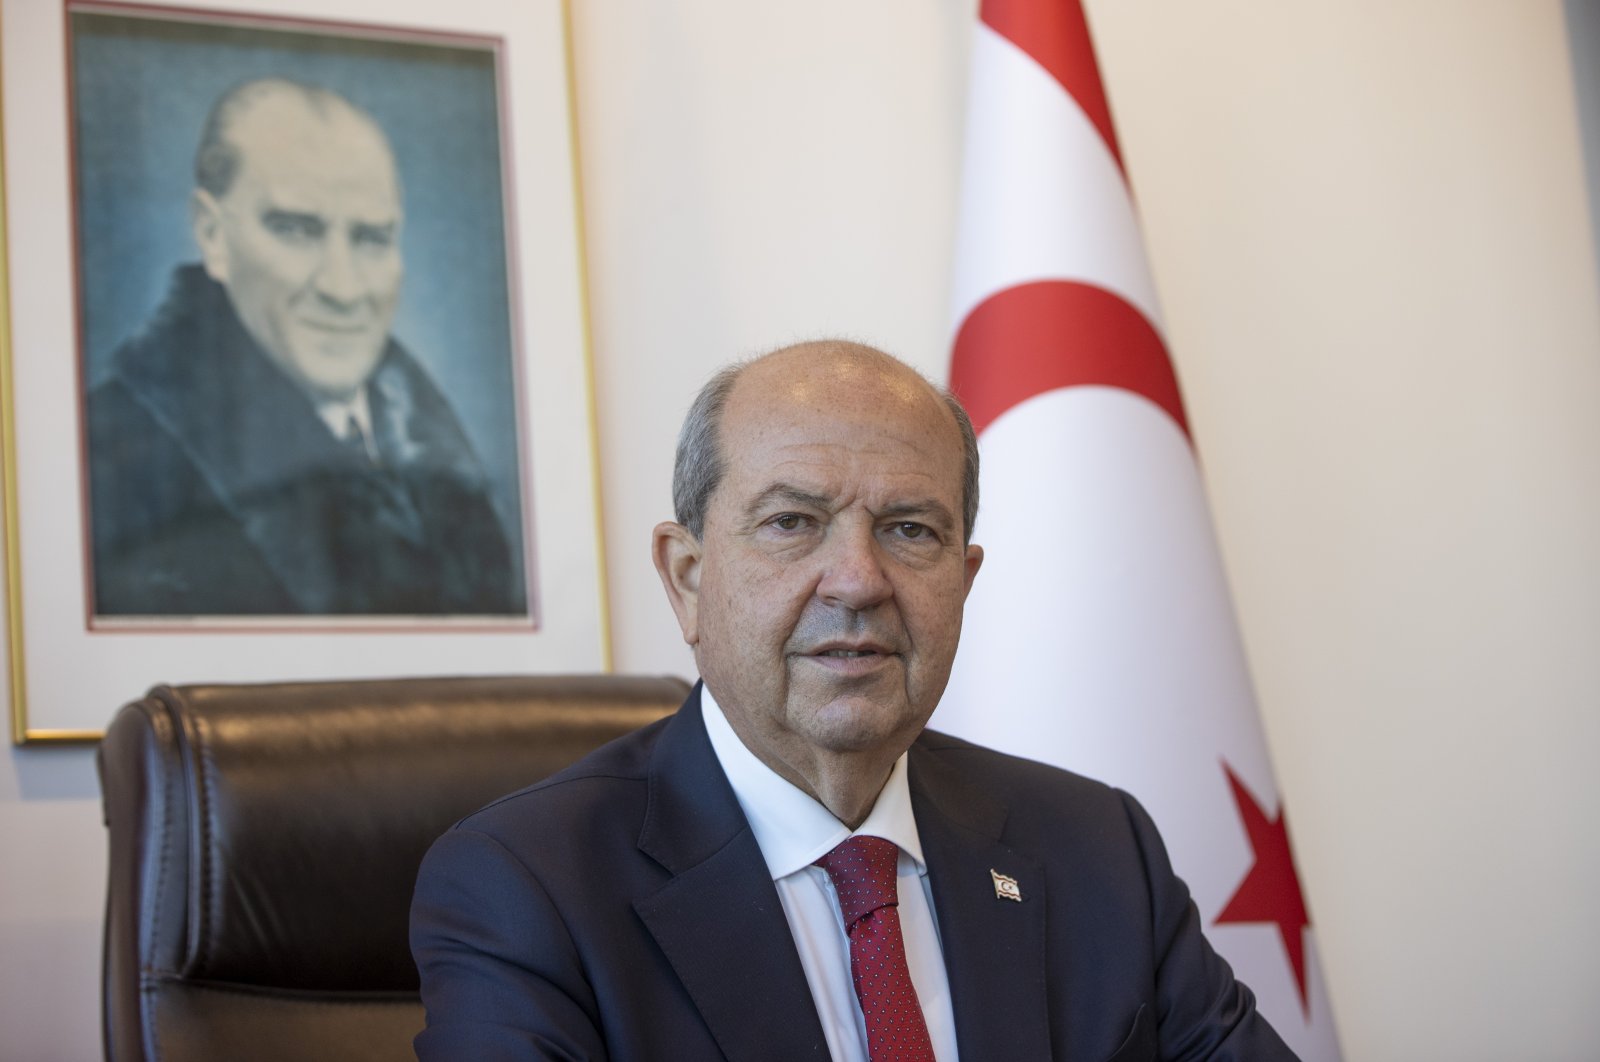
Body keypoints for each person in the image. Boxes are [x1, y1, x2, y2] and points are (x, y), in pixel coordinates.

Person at [410, 340, 1296, 1059]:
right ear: (687, 579)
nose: (859, 580)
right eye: (792, 522)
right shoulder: (526, 886)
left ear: (963, 580)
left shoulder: (1099, 850)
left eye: (910, 531)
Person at [86, 77, 522, 616]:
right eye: (295, 230)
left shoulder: (430, 445)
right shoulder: (116, 458)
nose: (343, 288)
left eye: (371, 238)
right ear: (213, 234)